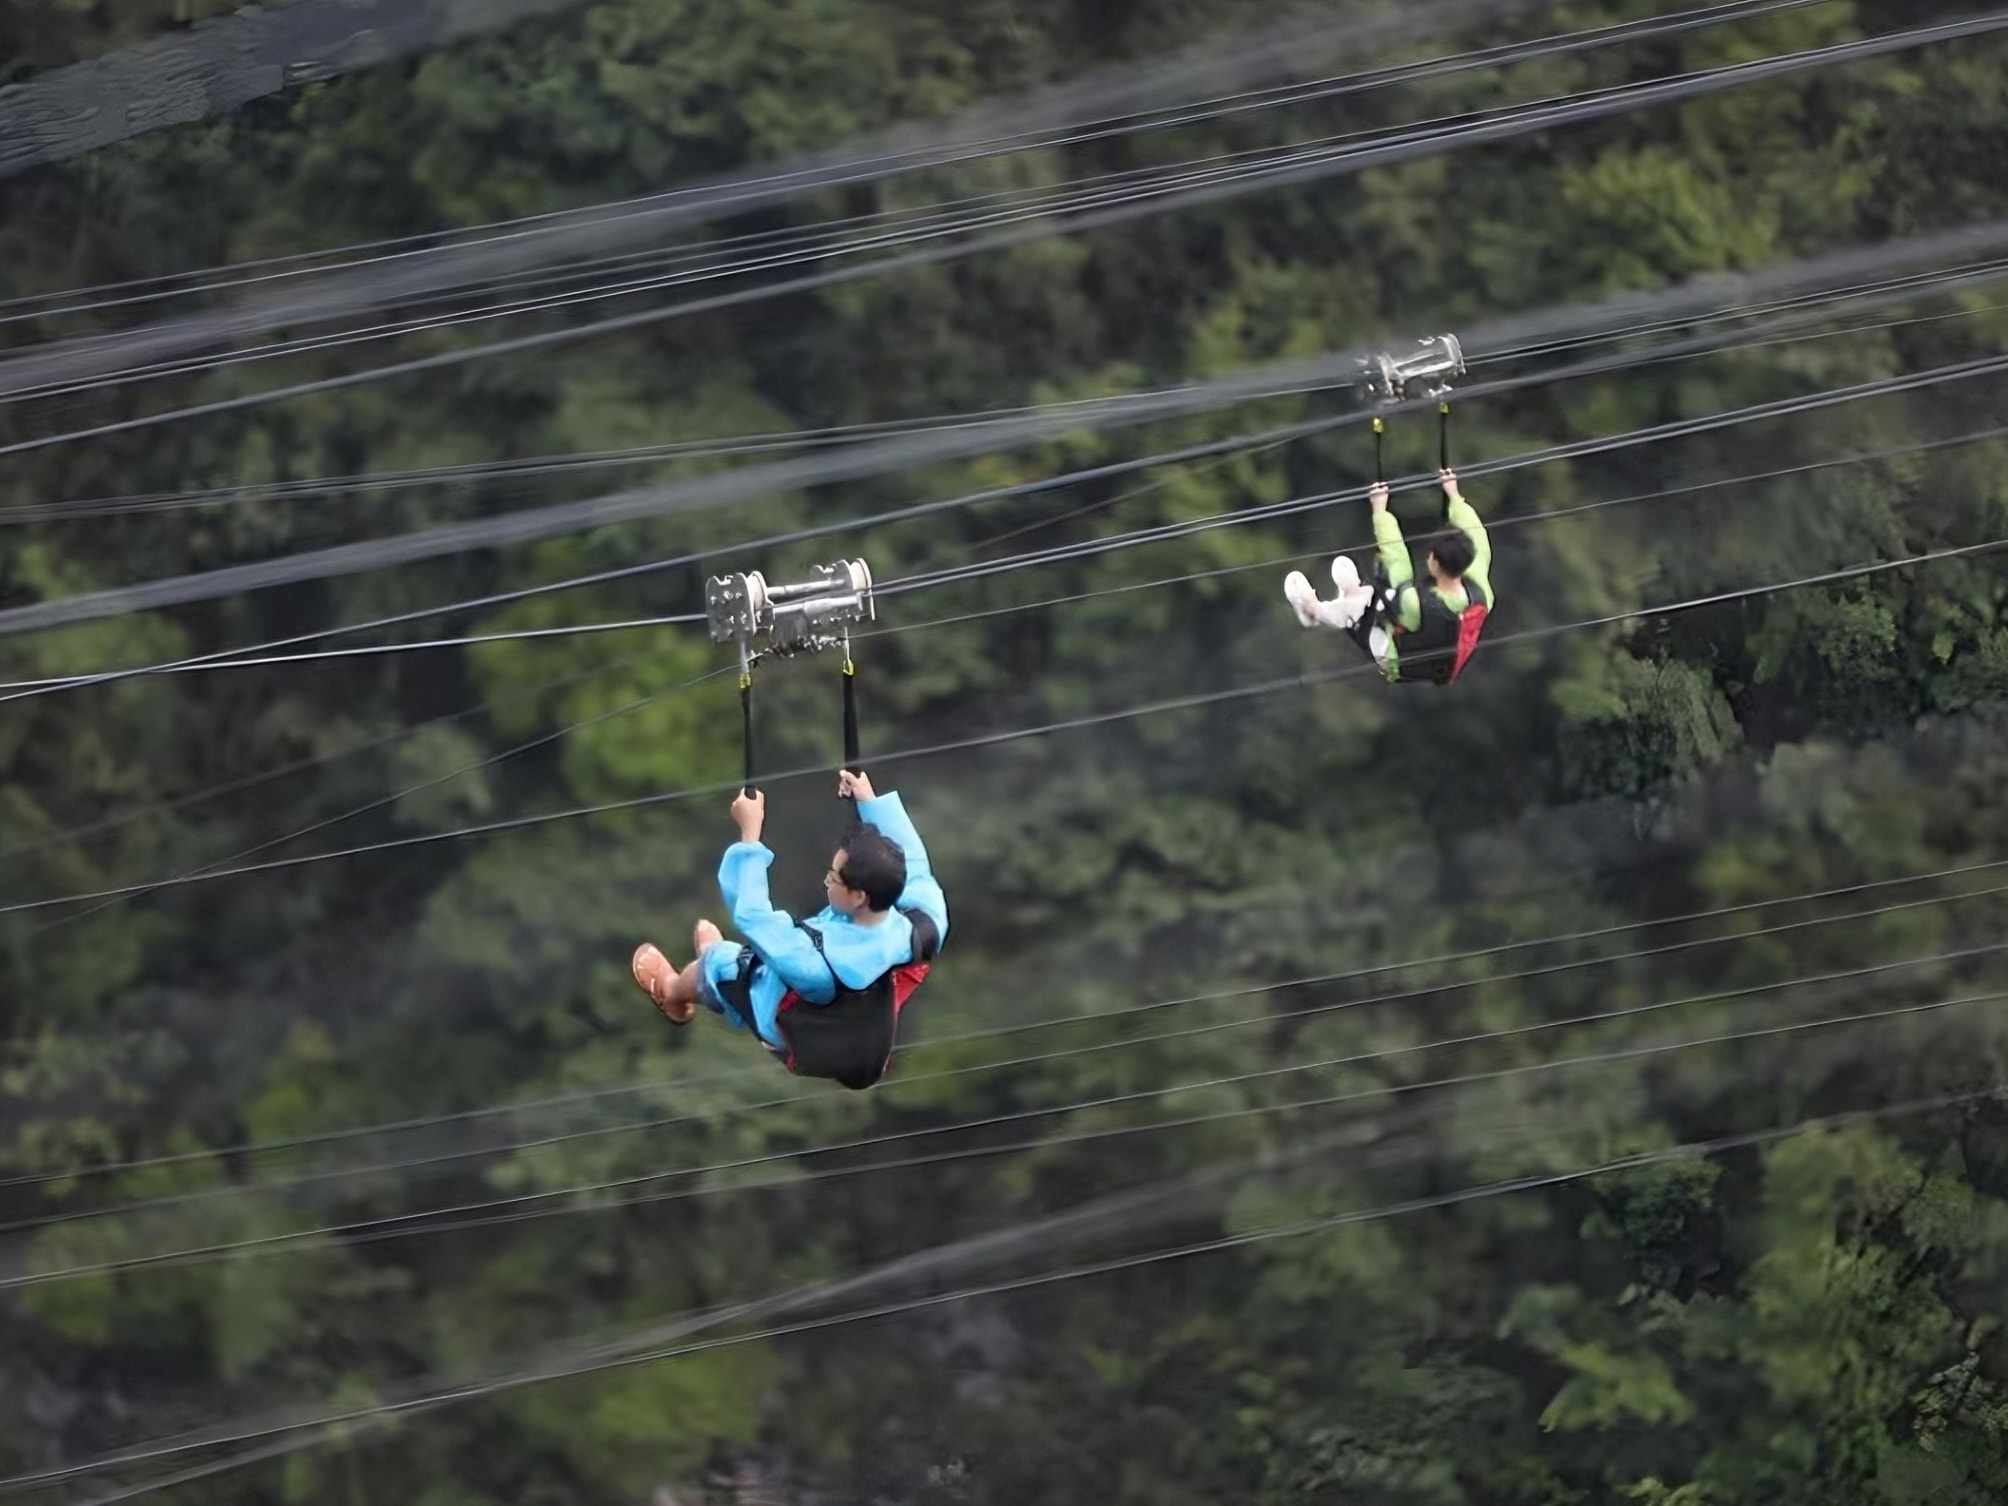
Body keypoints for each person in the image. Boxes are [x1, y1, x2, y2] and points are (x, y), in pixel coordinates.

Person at [630, 769, 947, 1088]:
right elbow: (914, 861)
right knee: (758, 952)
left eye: (834, 877)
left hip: (790, 1025)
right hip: (860, 1023)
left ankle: (674, 992)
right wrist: (868, 800)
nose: (827, 881)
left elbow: (753, 919)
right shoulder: (926, 921)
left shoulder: (815, 965)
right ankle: (719, 969)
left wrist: (750, 835)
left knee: (725, 965)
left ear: (858, 896)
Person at [1283, 467, 1494, 686]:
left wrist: (1380, 511)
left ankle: (1313, 610)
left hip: (1395, 661)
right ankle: (1353, 593)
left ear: (1436, 563)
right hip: (1436, 661)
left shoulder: (1417, 604)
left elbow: (1397, 563)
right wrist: (1454, 496)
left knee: (1370, 605)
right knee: (1380, 598)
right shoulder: (1480, 590)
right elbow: (1476, 533)